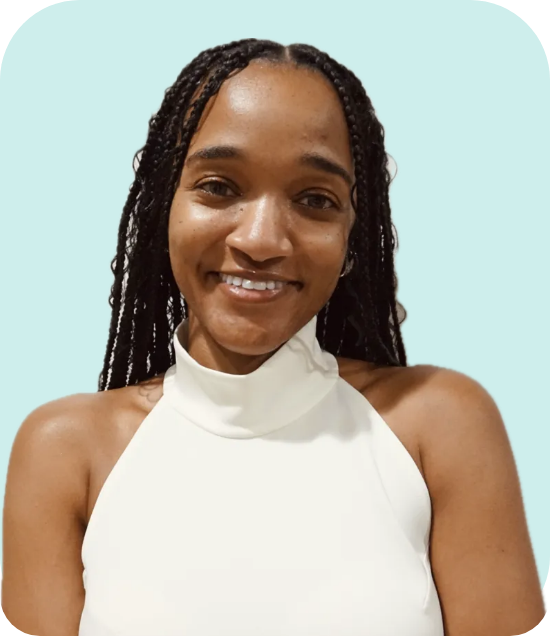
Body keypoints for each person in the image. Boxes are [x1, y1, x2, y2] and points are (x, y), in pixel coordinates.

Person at [1, 38, 545, 635]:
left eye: (315, 200)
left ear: (352, 239)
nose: (261, 240)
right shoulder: (65, 453)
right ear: (163, 210)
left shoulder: (438, 426)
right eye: (219, 187)